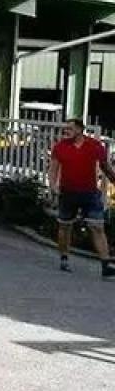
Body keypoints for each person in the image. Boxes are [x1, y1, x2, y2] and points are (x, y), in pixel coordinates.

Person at [49, 118, 115, 276]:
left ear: (80, 129)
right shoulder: (60, 147)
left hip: (89, 193)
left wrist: (113, 178)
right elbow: (54, 168)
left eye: (70, 129)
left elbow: (105, 166)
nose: (66, 132)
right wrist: (53, 185)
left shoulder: (94, 146)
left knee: (97, 226)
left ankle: (105, 263)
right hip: (67, 192)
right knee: (65, 225)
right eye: (65, 129)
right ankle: (64, 257)